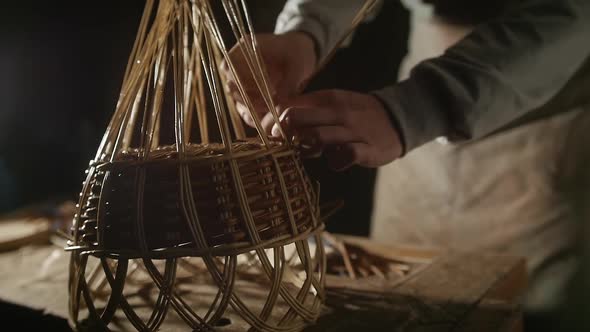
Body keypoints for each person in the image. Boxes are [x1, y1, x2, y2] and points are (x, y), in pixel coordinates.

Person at [222, 0, 590, 328]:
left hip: (545, 120)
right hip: (411, 131)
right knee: (402, 303)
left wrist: (418, 108)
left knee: (530, 309)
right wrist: (305, 30)